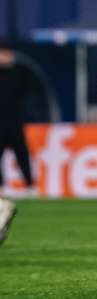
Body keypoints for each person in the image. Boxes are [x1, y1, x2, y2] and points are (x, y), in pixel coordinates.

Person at [0, 44, 37, 197]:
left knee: (22, 154)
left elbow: (29, 92)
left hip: (15, 121)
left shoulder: (20, 72)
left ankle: (29, 186)